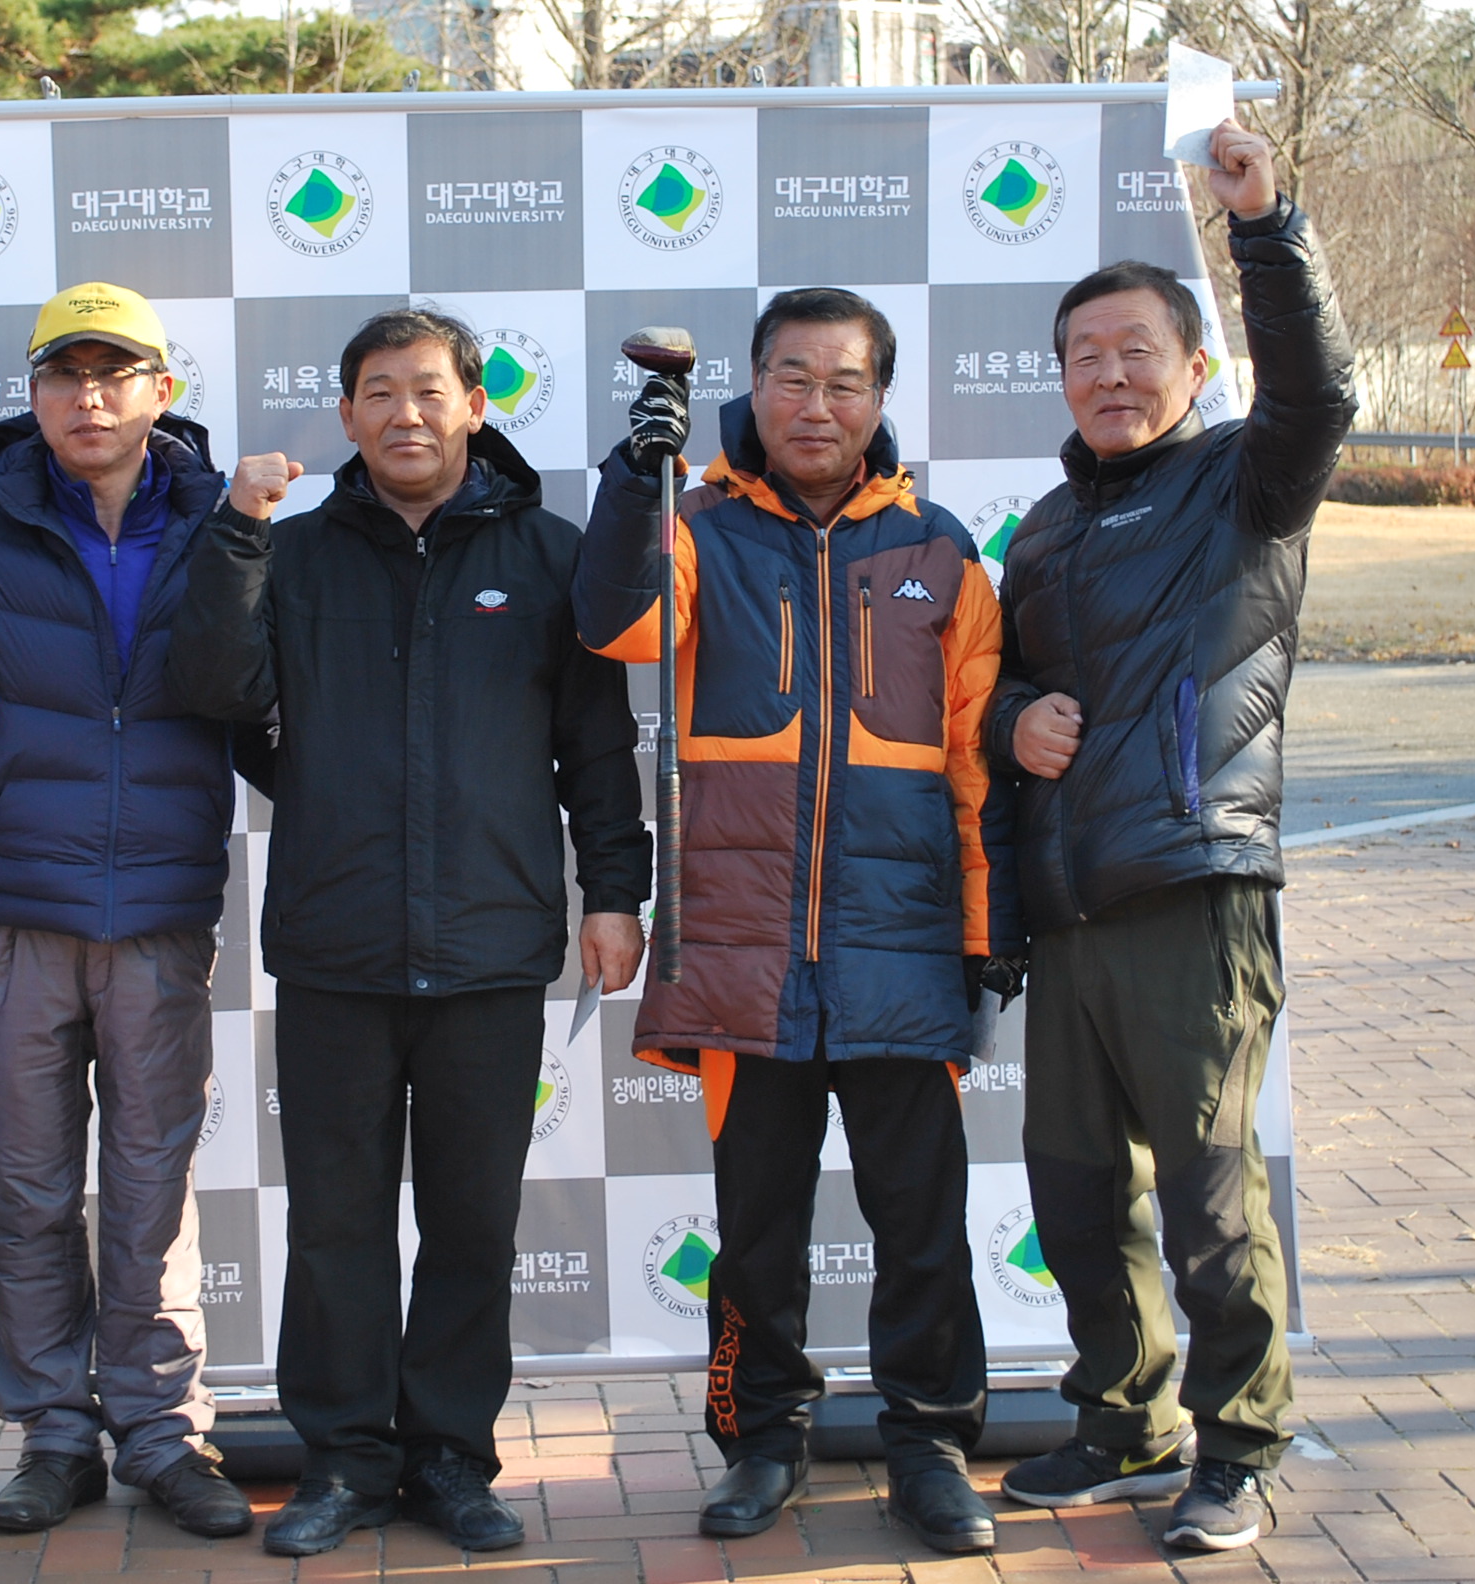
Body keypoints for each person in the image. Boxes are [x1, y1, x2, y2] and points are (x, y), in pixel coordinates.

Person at [169, 308, 648, 1560]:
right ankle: (342, 1460)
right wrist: (237, 535)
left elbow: (598, 746)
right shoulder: (296, 551)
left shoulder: (549, 553)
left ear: (475, 406)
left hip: (492, 946)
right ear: (346, 416)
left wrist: (614, 892)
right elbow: (220, 695)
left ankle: (448, 1458)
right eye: (377, 393)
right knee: (334, 1226)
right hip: (336, 946)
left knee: (471, 1224)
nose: (404, 414)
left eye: (428, 390)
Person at [572, 288, 1013, 1556]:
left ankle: (930, 1445)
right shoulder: (695, 522)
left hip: (902, 947)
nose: (817, 405)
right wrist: (635, 476)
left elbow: (976, 762)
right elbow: (619, 623)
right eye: (793, 378)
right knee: (757, 1233)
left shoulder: (940, 552)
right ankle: (761, 1440)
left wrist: (984, 935)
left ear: (880, 399)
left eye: (845, 382)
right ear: (753, 386)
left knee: (920, 1228)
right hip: (739, 949)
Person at [0, 281, 257, 1540]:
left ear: (160, 393)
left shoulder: (222, 524)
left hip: (163, 907)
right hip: (19, 907)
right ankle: (55, 1436)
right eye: (65, 375)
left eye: (115, 374)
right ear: (33, 395)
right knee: (26, 1192)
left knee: (150, 1190)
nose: (89, 398)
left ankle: (162, 1434)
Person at [987, 119, 1354, 1554]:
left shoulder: (1245, 484)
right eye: (1084, 355)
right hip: (1068, 912)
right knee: (1079, 1202)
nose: (1110, 375)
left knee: (1209, 1203)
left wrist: (1264, 230)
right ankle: (1124, 1425)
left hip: (1194, 891)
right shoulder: (1041, 532)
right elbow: (1002, 691)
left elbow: (1318, 390)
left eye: (1137, 350)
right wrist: (1013, 717)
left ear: (1195, 368)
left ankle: (1239, 1446)